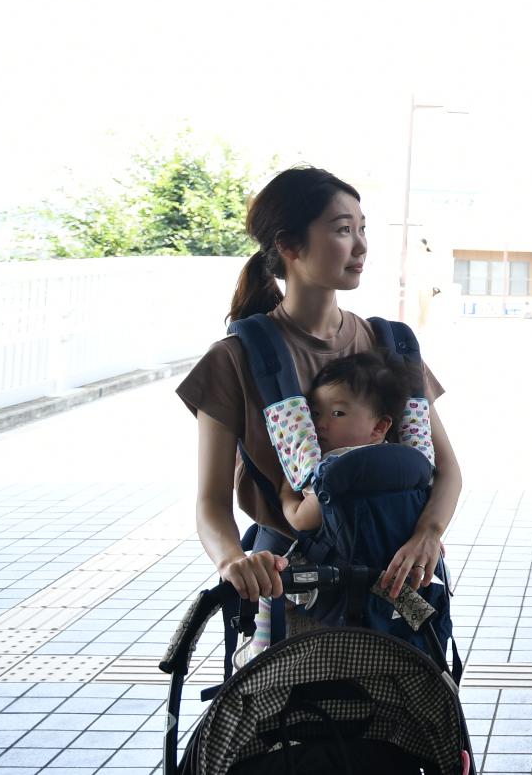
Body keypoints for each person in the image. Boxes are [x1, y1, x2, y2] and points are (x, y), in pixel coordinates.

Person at [178, 167, 462, 633]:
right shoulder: (233, 360)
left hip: (394, 587)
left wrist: (428, 535)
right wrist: (233, 561)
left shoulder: (389, 345)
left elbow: (446, 469)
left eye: (362, 228)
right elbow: (211, 501)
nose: (361, 245)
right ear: (289, 246)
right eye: (343, 230)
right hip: (292, 591)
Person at [278, 350, 425, 533]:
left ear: (379, 427)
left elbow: (301, 519)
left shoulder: (337, 469)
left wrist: (287, 491)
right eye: (315, 413)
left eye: (338, 413)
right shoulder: (403, 460)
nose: (319, 424)